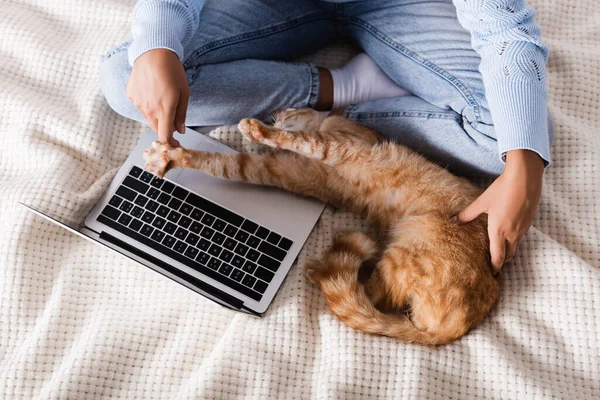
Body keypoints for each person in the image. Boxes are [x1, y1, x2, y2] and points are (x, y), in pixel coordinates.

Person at [99, 0, 554, 274]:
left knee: (517, 136)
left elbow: (505, 29)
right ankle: (339, 88)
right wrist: (157, 47)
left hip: (400, 8)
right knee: (127, 74)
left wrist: (525, 170)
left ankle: (350, 102)